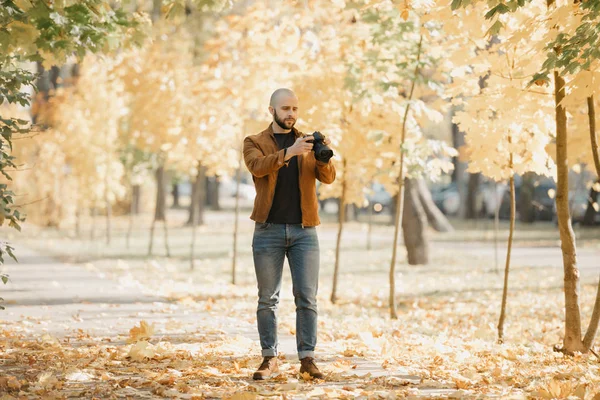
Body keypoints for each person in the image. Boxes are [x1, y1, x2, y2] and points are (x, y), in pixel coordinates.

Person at [242, 88, 336, 380]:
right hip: (268, 230)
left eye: (295, 108)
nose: (291, 114)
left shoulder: (309, 141)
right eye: (285, 108)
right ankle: (269, 358)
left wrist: (321, 156)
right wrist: (289, 153)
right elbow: (257, 168)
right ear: (272, 110)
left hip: (305, 231)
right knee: (267, 299)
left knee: (307, 297)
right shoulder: (254, 141)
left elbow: (329, 177)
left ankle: (307, 358)